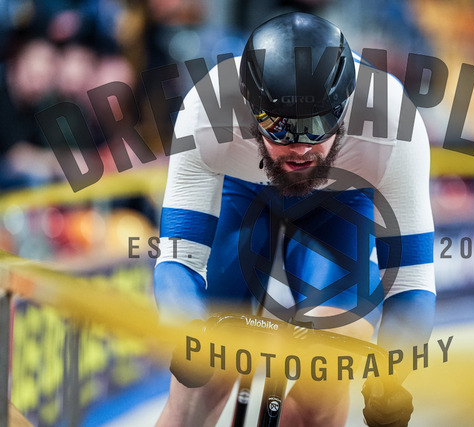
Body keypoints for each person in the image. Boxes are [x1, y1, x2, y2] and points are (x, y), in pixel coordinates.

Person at [153, 12, 436, 427]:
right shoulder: (207, 107)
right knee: (198, 387)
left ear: (346, 107)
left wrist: (391, 376)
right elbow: (179, 259)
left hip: (338, 204)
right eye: (279, 127)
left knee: (325, 380)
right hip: (245, 190)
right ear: (248, 107)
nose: (301, 149)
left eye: (320, 124)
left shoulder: (393, 119)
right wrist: (188, 335)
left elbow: (411, 282)